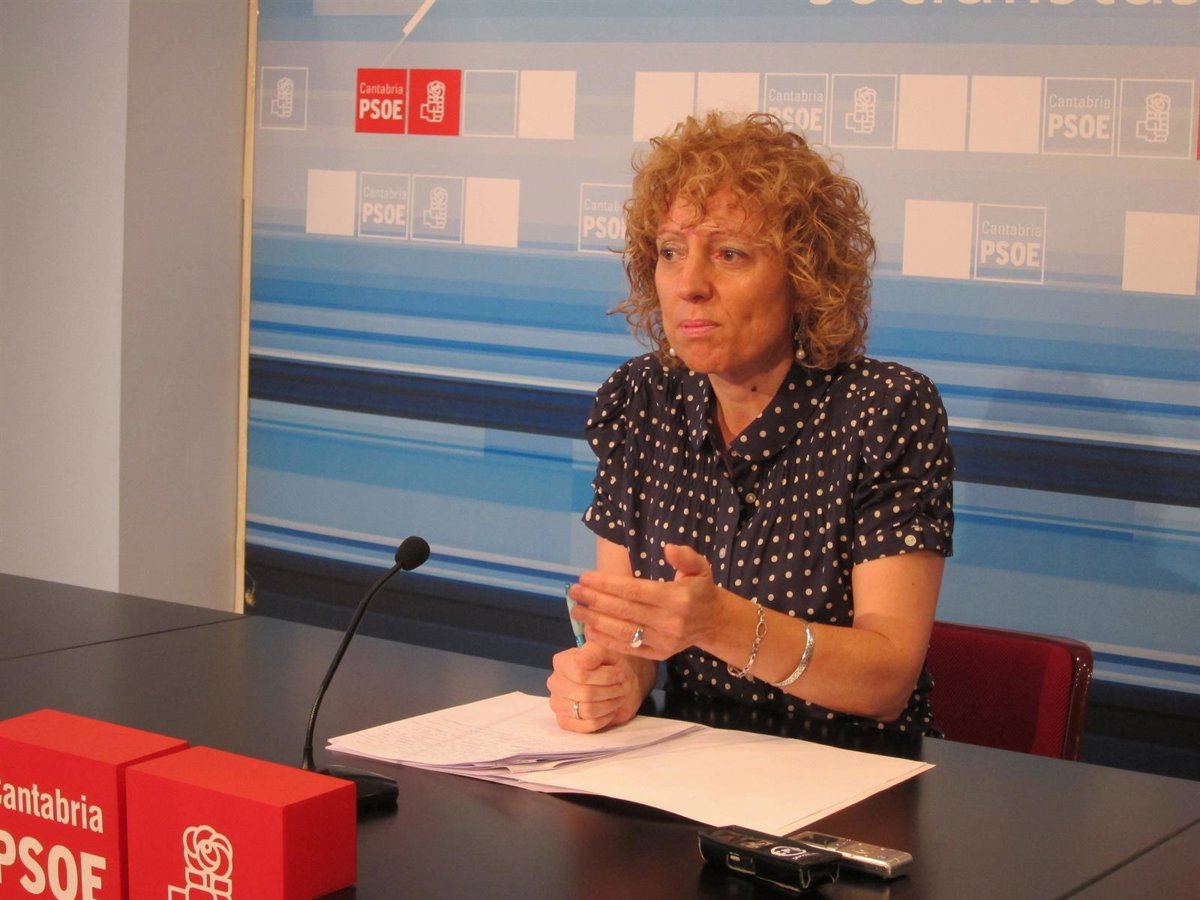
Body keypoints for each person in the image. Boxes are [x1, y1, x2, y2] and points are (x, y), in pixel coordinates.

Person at [548, 112, 954, 736]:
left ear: (804, 278)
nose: (690, 284)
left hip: (851, 770)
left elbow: (886, 682)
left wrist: (719, 622)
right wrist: (611, 680)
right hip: (685, 765)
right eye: (671, 252)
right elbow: (630, 636)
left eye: (730, 254)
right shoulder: (641, 400)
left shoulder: (884, 411)